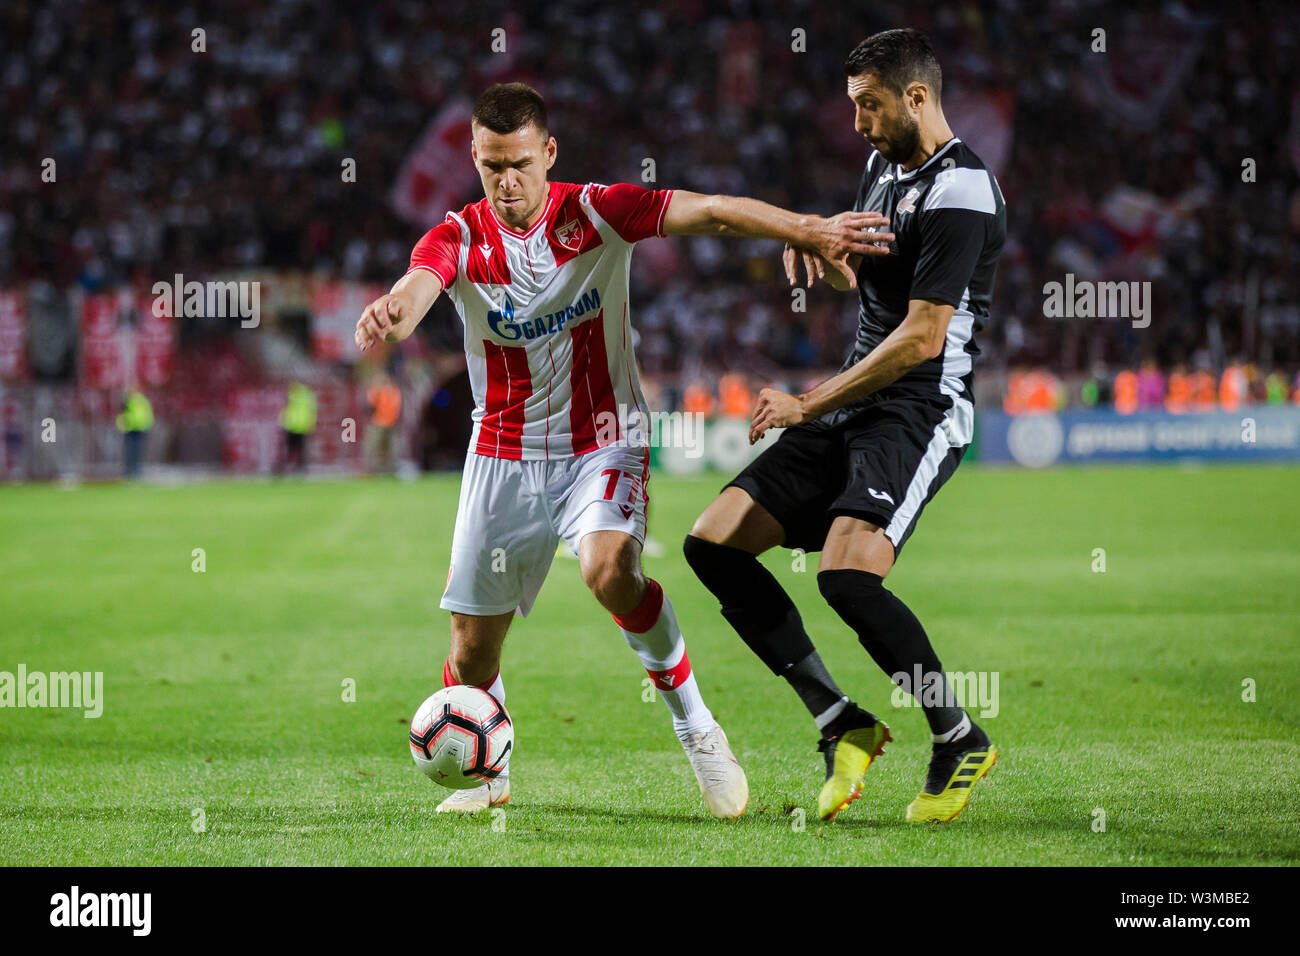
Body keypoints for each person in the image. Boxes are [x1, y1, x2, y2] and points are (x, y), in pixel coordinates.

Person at [355, 82, 892, 817]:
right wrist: (396, 310)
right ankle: (491, 774)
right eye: (489, 166)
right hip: (502, 453)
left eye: (517, 163)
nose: (505, 181)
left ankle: (698, 728)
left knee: (610, 570)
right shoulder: (458, 236)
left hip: (602, 442)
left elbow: (709, 212)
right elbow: (421, 286)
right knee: (471, 651)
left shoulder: (595, 212)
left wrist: (802, 227)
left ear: (548, 154)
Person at [684, 29, 1006, 824]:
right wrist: (822, 248)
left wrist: (806, 402)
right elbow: (872, 271)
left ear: (917, 97)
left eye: (870, 106)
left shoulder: (961, 188)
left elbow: (922, 336)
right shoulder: (883, 168)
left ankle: (957, 735)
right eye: (852, 106)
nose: (858, 123)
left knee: (847, 575)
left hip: (919, 405)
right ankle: (841, 720)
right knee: (712, 542)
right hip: (855, 397)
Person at [115, 386, 153, 479]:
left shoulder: (130, 402)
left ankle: (132, 470)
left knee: (133, 451)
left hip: (134, 428)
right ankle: (133, 470)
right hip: (136, 428)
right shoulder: (142, 401)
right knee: (134, 451)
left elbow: (125, 415)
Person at [279, 382, 316, 474]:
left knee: (290, 450)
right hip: (301, 426)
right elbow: (312, 412)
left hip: (292, 426)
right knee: (300, 450)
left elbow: (285, 409)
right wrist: (311, 426)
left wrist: (282, 422)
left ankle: (284, 469)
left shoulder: (292, 395)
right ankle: (299, 470)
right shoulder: (308, 396)